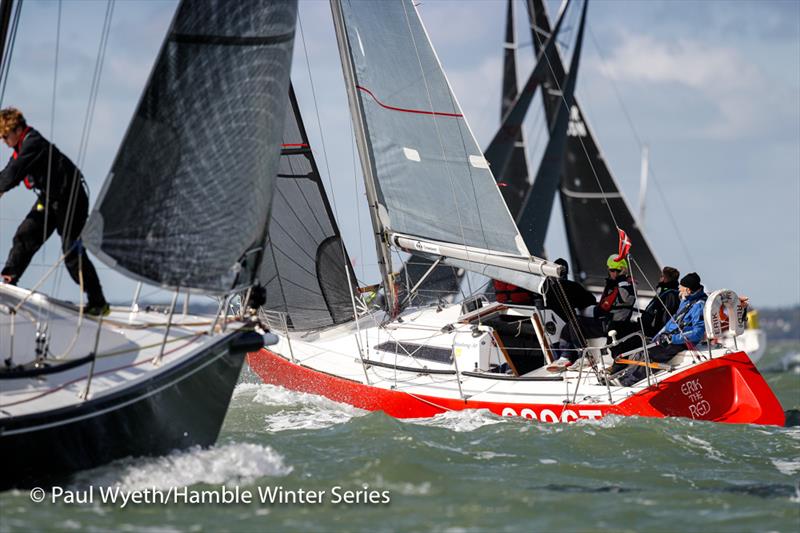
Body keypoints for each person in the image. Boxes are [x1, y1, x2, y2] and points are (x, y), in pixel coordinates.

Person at [0, 107, 108, 315]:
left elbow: (14, 173)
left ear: (16, 129)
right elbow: (8, 172)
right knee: (25, 235)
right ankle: (9, 279)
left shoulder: (33, 143)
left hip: (71, 199)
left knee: (71, 253)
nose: (4, 142)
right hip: (50, 199)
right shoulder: (21, 147)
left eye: (5, 136)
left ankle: (99, 302)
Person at [548, 254, 636, 371]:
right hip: (606, 321)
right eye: (611, 270)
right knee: (570, 325)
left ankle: (584, 358)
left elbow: (608, 306)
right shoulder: (616, 284)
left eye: (616, 270)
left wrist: (617, 282)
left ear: (623, 271)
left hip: (611, 324)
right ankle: (566, 357)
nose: (613, 273)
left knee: (575, 323)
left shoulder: (624, 286)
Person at [618, 272, 708, 386]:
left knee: (651, 353)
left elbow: (698, 332)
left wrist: (672, 338)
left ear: (689, 290)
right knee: (643, 349)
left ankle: (628, 382)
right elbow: (674, 320)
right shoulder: (687, 299)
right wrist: (660, 335)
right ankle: (625, 377)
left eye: (682, 287)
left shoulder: (699, 305)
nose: (679, 288)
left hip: (681, 341)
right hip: (670, 336)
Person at [640, 266, 681, 337]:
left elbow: (667, 314)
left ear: (666, 278)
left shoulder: (670, 294)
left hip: (658, 330)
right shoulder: (663, 291)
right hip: (652, 327)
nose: (660, 278)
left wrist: (661, 331)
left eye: (662, 276)